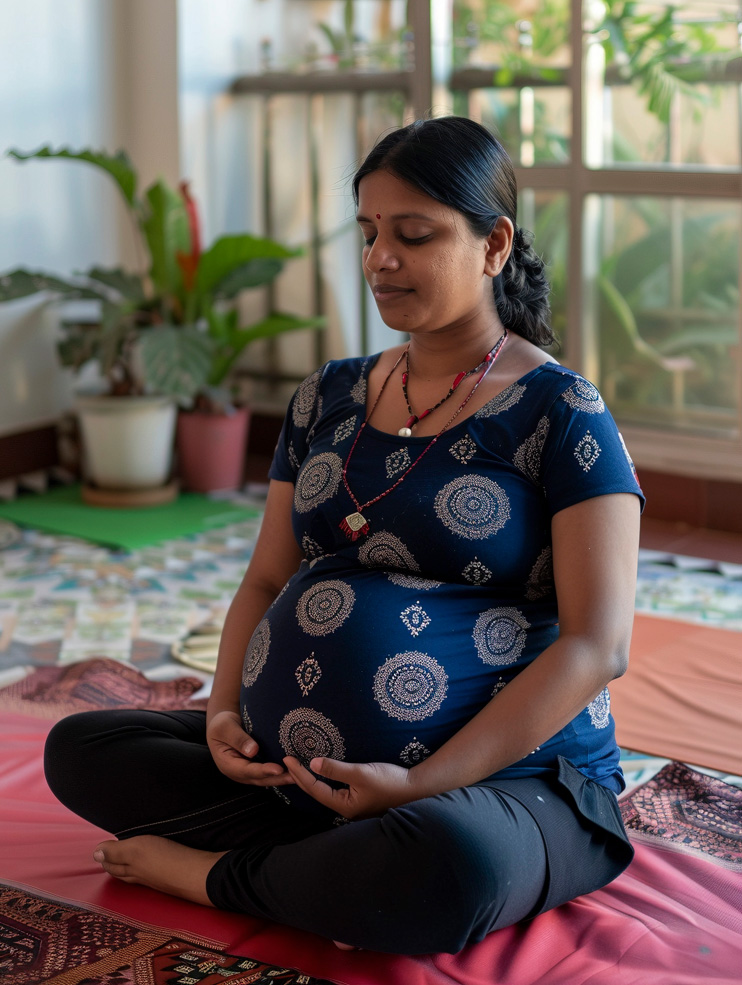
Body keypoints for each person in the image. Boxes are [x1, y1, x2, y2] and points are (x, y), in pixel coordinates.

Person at [44, 116, 644, 956]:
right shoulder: (327, 395)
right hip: (302, 772)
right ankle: (319, 856)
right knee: (83, 746)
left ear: (494, 244)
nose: (380, 259)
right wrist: (222, 710)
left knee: (448, 865)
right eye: (368, 234)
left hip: (510, 777)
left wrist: (421, 782)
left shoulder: (561, 410)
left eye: (413, 234)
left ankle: (213, 875)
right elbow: (263, 580)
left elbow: (596, 644)